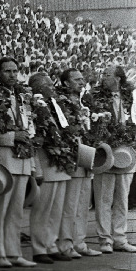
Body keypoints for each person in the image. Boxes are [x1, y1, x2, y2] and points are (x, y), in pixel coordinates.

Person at [0, 57, 38, 267]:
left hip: (23, 157)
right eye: (7, 71)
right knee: (0, 208)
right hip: (4, 157)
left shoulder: (22, 96)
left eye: (15, 71)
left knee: (17, 209)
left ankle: (14, 252)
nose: (12, 75)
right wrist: (12, 137)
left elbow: (29, 126)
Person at [90, 65, 136, 253]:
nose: (103, 77)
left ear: (118, 79)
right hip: (105, 151)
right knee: (103, 198)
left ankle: (120, 238)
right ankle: (105, 240)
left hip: (126, 153)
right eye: (103, 74)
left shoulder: (130, 97)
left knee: (122, 199)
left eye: (107, 74)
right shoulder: (95, 96)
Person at [27, 72, 74, 264]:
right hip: (45, 159)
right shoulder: (34, 105)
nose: (52, 87)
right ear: (37, 88)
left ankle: (51, 244)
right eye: (48, 85)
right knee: (43, 207)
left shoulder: (55, 104)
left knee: (56, 208)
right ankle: (39, 248)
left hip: (60, 159)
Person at [56, 67, 101, 258]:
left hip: (86, 154)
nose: (81, 83)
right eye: (76, 80)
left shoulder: (84, 102)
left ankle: (79, 242)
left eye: (82, 79)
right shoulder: (62, 102)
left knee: (83, 203)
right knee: (70, 204)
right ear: (66, 83)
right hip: (71, 156)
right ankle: (65, 244)